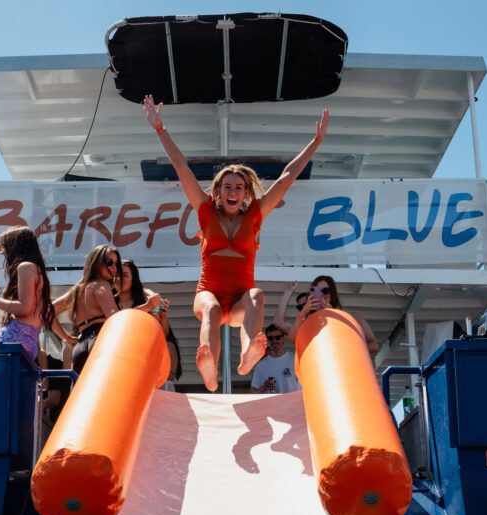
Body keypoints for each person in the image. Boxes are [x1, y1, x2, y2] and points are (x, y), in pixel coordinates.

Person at [143, 94, 329, 391]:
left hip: (240, 300)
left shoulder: (255, 214)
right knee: (213, 308)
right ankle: (209, 370)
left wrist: (316, 142)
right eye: (227, 187)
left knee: (256, 294)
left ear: (245, 193)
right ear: (218, 191)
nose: (233, 192)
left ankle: (246, 356)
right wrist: (160, 129)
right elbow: (181, 168)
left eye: (239, 188)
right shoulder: (205, 211)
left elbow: (286, 178)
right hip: (209, 294)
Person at [0, 226, 58, 362]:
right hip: (21, 345)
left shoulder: (25, 267)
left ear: (15, 246)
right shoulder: (34, 270)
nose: (2, 252)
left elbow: (24, 308)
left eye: (4, 246)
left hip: (13, 343)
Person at [53, 245, 123, 374]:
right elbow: (115, 318)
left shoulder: (77, 290)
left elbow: (48, 311)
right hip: (100, 340)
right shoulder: (102, 285)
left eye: (116, 264)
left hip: (80, 347)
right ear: (97, 263)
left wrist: (67, 338)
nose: (114, 267)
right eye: (109, 262)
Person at [288, 275, 379, 355]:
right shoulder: (308, 321)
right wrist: (303, 312)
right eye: (316, 291)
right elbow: (292, 338)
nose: (321, 294)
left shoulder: (353, 317)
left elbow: (374, 345)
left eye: (325, 291)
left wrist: (332, 315)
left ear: (332, 294)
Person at [251, 324, 300, 394]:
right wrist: (263, 387)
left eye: (277, 337)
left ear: (283, 339)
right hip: (271, 404)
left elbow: (306, 384)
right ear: (267, 340)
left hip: (291, 404)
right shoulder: (261, 365)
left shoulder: (295, 359)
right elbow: (253, 391)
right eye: (270, 338)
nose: (274, 341)